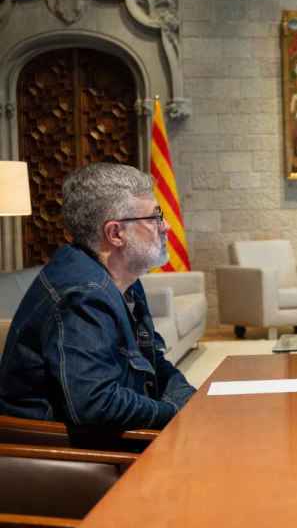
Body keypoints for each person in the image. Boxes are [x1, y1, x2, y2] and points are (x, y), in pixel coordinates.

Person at [0, 163, 195, 429]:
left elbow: (153, 361)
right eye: (154, 217)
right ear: (115, 233)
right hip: (63, 452)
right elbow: (96, 405)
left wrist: (190, 401)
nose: (167, 227)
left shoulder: (123, 277)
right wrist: (174, 414)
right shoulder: (82, 295)